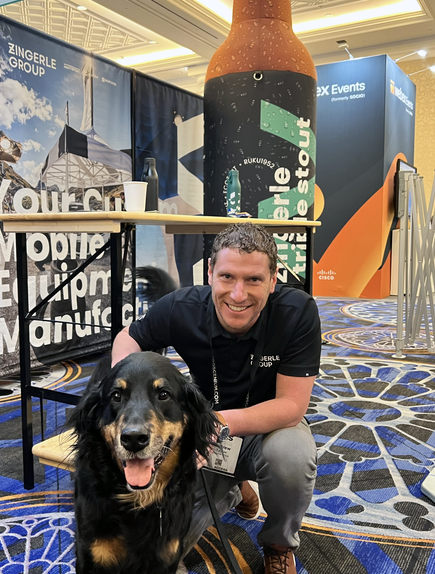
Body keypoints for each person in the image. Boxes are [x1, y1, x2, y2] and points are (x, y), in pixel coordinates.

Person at [111, 222, 321, 574]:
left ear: (273, 279)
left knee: (292, 457)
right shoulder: (182, 307)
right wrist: (126, 392)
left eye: (253, 279)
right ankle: (237, 486)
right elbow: (127, 338)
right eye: (227, 277)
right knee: (157, 553)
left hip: (269, 426)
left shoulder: (297, 311)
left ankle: (278, 544)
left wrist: (220, 424)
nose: (238, 294)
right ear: (210, 274)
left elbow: (292, 406)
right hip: (204, 430)